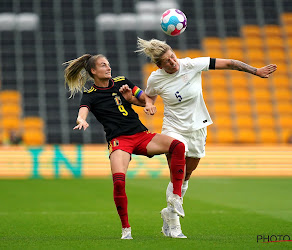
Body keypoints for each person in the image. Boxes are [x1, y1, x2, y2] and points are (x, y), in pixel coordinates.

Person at [131, 37, 277, 238]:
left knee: (186, 176)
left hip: (198, 128)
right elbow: (149, 94)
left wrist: (256, 71)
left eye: (172, 57)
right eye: (167, 61)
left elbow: (230, 63)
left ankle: (169, 212)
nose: (173, 62)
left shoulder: (191, 64)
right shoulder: (155, 78)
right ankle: (174, 225)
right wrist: (148, 104)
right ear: (159, 65)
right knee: (177, 164)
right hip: (173, 128)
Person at [63, 54, 187, 240]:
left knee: (178, 146)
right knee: (119, 182)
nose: (108, 67)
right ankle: (126, 229)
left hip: (141, 135)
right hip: (119, 142)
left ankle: (176, 197)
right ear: (93, 71)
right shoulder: (90, 94)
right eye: (103, 65)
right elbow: (83, 110)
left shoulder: (122, 82)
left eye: (109, 63)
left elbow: (143, 96)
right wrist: (81, 119)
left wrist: (146, 104)